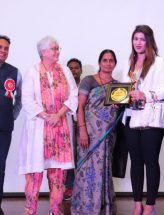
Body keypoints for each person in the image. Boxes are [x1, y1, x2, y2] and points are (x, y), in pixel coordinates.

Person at [17, 36, 78, 215]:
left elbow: (73, 95)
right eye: (54, 49)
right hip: (38, 129)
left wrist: (58, 115)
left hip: (60, 129)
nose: (58, 51)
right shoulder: (32, 72)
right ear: (43, 52)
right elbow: (27, 99)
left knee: (58, 173)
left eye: (58, 48)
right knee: (34, 173)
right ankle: (30, 210)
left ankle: (55, 209)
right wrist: (46, 116)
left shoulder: (65, 71)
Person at [120, 25, 164, 215]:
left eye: (142, 39)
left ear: (149, 41)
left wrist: (146, 95)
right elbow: (125, 89)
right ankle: (137, 204)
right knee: (136, 162)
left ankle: (150, 205)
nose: (138, 43)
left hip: (152, 121)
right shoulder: (128, 63)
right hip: (132, 120)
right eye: (135, 39)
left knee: (150, 162)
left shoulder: (159, 62)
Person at [71, 49, 119, 215]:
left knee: (104, 170)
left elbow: (117, 111)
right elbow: (80, 107)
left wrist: (116, 107)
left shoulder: (118, 86)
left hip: (106, 137)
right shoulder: (88, 81)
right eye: (104, 60)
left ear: (115, 63)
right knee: (86, 170)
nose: (108, 63)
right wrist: (82, 131)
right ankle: (84, 208)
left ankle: (103, 208)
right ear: (99, 63)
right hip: (89, 135)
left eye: (111, 60)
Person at [0, 35, 22, 215]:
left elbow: (20, 98)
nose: (3, 51)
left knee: (0, 166)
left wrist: (11, 115)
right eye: (0, 47)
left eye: (6, 48)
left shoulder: (14, 72)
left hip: (4, 128)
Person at [63, 58, 82, 201]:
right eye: (71, 68)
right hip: (68, 126)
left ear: (81, 70)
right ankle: (69, 186)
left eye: (76, 68)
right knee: (69, 157)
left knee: (82, 156)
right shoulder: (64, 87)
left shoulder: (86, 86)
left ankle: (82, 186)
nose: (73, 70)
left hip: (83, 128)